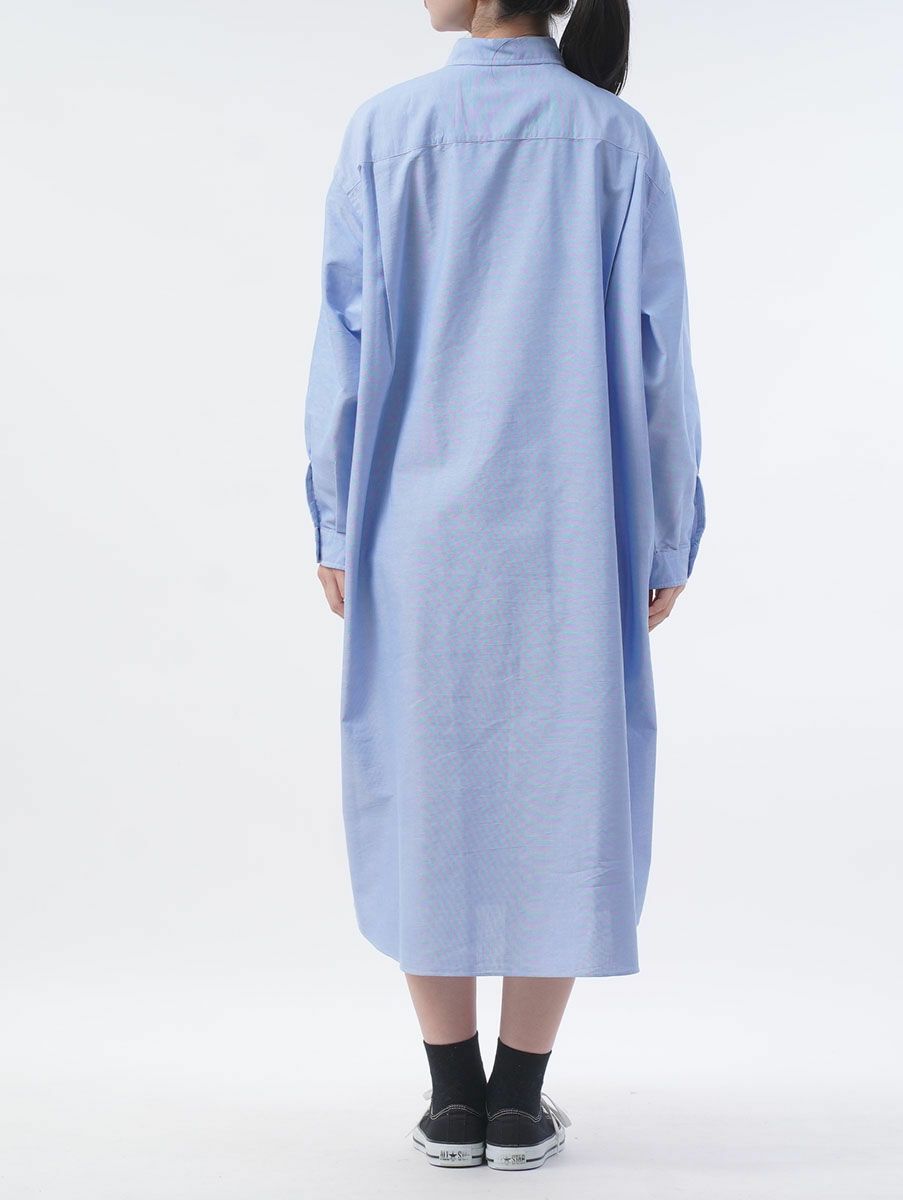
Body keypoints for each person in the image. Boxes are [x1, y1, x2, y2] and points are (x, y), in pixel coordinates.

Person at [303, 0, 706, 1172]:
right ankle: (519, 1103)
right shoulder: (612, 138)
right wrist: (666, 535)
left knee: (424, 787)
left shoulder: (385, 132)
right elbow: (660, 363)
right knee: (560, 790)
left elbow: (342, 348)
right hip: (573, 527)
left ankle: (450, 1100)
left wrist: (335, 521)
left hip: (412, 530)